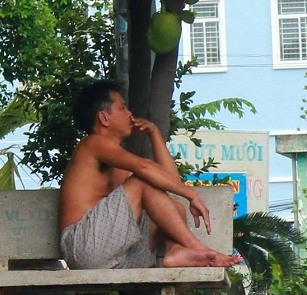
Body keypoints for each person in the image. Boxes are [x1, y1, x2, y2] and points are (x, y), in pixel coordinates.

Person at [59, 80, 243, 270]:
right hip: (83, 247)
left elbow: (171, 184)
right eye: (122, 108)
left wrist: (154, 133)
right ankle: (203, 251)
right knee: (144, 179)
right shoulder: (92, 144)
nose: (130, 114)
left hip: (116, 257)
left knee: (174, 204)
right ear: (104, 118)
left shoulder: (119, 165)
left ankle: (175, 251)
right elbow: (144, 168)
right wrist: (192, 195)